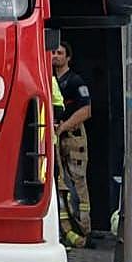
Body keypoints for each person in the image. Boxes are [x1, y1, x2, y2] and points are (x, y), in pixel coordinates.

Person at [53, 41, 92, 243]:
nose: (55, 56)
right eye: (53, 52)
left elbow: (86, 111)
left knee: (77, 183)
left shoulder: (76, 82)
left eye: (60, 53)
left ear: (68, 57)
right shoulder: (49, 80)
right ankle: (68, 233)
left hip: (72, 137)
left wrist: (64, 126)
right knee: (61, 185)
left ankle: (84, 229)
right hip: (56, 139)